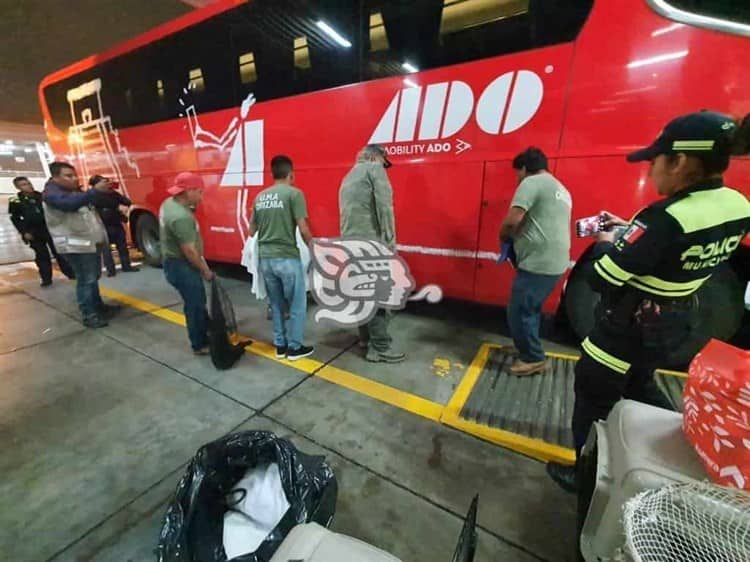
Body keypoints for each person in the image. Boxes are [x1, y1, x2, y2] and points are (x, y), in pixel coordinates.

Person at [546, 110, 750, 493]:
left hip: (624, 332)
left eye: (655, 160)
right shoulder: (738, 205)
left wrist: (610, 240)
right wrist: (634, 236)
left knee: (593, 401)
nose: (650, 169)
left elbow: (600, 276)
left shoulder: (663, 218)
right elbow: (678, 250)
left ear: (681, 162)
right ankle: (685, 447)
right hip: (673, 325)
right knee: (641, 382)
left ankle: (586, 478)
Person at [499, 147, 572, 375]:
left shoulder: (531, 183)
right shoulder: (561, 188)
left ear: (523, 168)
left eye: (517, 173)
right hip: (555, 261)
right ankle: (525, 346)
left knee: (519, 310)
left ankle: (534, 358)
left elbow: (513, 220)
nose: (517, 178)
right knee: (531, 309)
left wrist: (503, 236)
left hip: (539, 262)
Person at [339, 144, 405, 363]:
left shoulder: (349, 176)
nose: (385, 168)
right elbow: (385, 208)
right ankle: (381, 348)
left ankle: (366, 340)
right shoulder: (374, 170)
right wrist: (390, 244)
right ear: (377, 157)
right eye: (385, 163)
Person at [248, 155, 314, 361]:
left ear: (273, 174)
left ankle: (280, 345)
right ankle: (294, 348)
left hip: (265, 259)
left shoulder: (260, 197)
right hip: (286, 257)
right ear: (291, 174)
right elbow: (303, 228)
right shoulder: (294, 194)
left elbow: (252, 231)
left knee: (276, 303)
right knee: (297, 304)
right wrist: (315, 249)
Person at [43, 162, 120, 328]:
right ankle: (89, 315)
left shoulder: (71, 191)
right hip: (75, 245)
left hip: (86, 243)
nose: (74, 179)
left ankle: (98, 307)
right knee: (86, 279)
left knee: (92, 278)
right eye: (68, 176)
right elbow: (70, 204)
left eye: (74, 175)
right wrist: (94, 191)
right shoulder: (52, 194)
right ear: (55, 177)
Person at [159, 172, 214, 355]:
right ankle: (199, 343)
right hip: (181, 265)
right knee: (195, 304)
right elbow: (189, 251)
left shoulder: (169, 203)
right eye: (199, 191)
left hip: (173, 262)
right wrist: (205, 270)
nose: (201, 195)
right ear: (189, 191)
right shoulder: (181, 217)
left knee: (195, 301)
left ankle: (205, 330)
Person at [8, 176, 75, 286]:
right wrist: (24, 232)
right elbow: (15, 218)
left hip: (49, 228)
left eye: (28, 183)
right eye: (23, 185)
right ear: (18, 187)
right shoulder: (16, 200)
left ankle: (70, 273)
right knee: (42, 255)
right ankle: (46, 278)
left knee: (59, 252)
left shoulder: (41, 196)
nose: (28, 186)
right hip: (33, 232)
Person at [89, 175, 139, 276]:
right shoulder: (91, 195)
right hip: (102, 226)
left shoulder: (112, 193)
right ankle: (110, 270)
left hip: (115, 222)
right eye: (104, 182)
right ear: (96, 184)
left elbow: (127, 202)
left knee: (122, 246)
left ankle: (126, 266)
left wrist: (115, 194)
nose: (107, 183)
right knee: (106, 249)